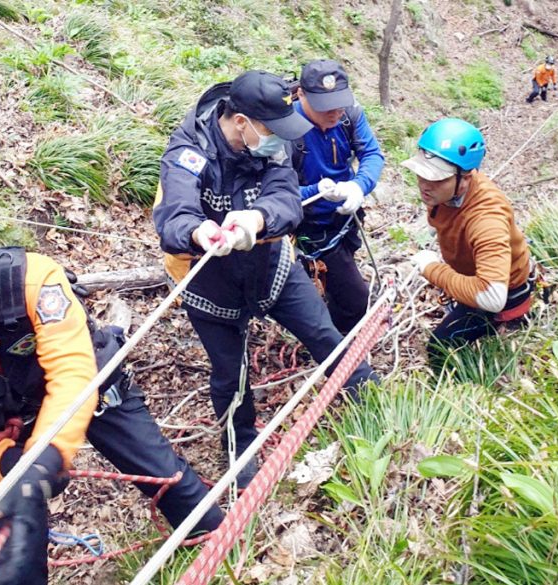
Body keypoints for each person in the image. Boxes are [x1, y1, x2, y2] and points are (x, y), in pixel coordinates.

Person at [0, 199, 223, 585]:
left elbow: (72, 374)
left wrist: (48, 455)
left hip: (89, 389)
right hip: (5, 434)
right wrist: (10, 467)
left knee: (165, 478)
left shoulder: (34, 284)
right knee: (16, 563)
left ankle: (217, 543)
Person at [153, 70, 379, 487]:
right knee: (229, 372)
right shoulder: (189, 152)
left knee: (323, 333)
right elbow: (174, 215)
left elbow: (288, 200)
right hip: (208, 282)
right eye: (272, 130)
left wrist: (258, 218)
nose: (282, 138)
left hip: (271, 263)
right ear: (242, 122)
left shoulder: (275, 146)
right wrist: (200, 232)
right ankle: (240, 446)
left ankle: (374, 398)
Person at [400, 119, 535, 365]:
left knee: (440, 346)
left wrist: (432, 269)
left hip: (505, 292)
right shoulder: (449, 192)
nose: (424, 185)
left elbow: (492, 297)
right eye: (421, 174)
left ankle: (456, 388)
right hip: (474, 273)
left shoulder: (486, 220)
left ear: (465, 177)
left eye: (437, 179)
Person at [290, 59, 385, 334]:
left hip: (345, 219)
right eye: (325, 106)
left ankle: (332, 328)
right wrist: (316, 192)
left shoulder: (349, 115)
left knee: (342, 287)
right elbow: (274, 194)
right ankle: (334, 344)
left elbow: (371, 153)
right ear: (301, 95)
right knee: (355, 302)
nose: (333, 112)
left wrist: (358, 185)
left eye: (338, 103)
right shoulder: (284, 130)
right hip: (306, 226)